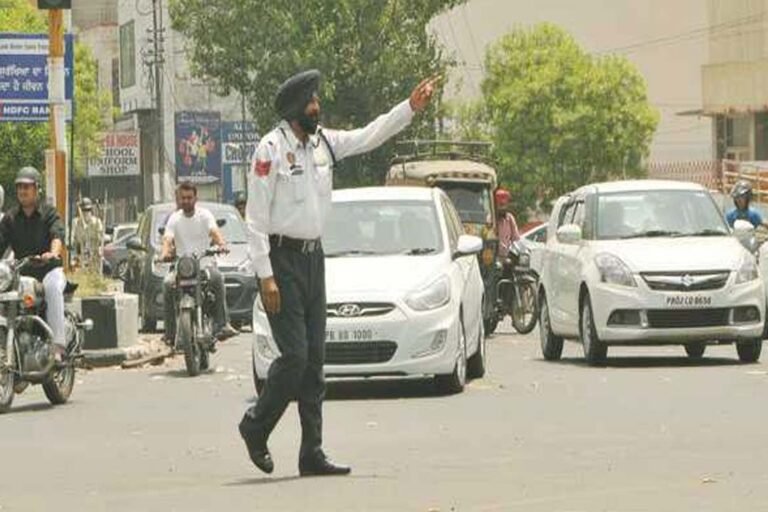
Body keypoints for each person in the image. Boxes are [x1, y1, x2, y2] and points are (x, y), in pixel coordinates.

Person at [239, 69, 437, 477]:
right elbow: (255, 219)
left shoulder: (323, 142)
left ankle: (312, 451)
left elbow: (368, 135)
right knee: (294, 357)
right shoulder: (270, 149)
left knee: (315, 362)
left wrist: (409, 108)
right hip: (281, 262)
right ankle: (255, 426)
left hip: (314, 259)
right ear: (296, 108)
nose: (317, 106)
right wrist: (265, 276)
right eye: (311, 102)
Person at [0, 167, 67, 361]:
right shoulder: (10, 218)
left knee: (52, 288)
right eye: (20, 186)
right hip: (22, 274)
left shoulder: (48, 213)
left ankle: (58, 346)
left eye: (27, 186)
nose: (23, 191)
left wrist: (52, 253)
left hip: (48, 270)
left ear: (37, 189)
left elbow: (57, 235)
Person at [160, 181, 238, 344]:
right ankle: (170, 332)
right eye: (183, 198)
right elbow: (167, 238)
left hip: (204, 264)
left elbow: (214, 231)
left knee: (217, 278)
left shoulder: (205, 215)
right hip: (183, 267)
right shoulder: (174, 218)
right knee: (167, 284)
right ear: (179, 199)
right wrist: (164, 253)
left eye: (189, 197)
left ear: (196, 198)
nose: (186, 201)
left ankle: (222, 324)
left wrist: (221, 244)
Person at [72, 197, 104, 273]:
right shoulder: (75, 222)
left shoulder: (97, 222)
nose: (86, 212)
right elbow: (72, 239)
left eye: (88, 210)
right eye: (84, 210)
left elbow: (101, 238)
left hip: (94, 257)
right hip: (81, 257)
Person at [495, 188, 521, 258]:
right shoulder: (490, 219)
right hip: (493, 257)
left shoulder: (510, 219)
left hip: (506, 257)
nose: (503, 208)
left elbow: (516, 239)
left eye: (504, 205)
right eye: (500, 205)